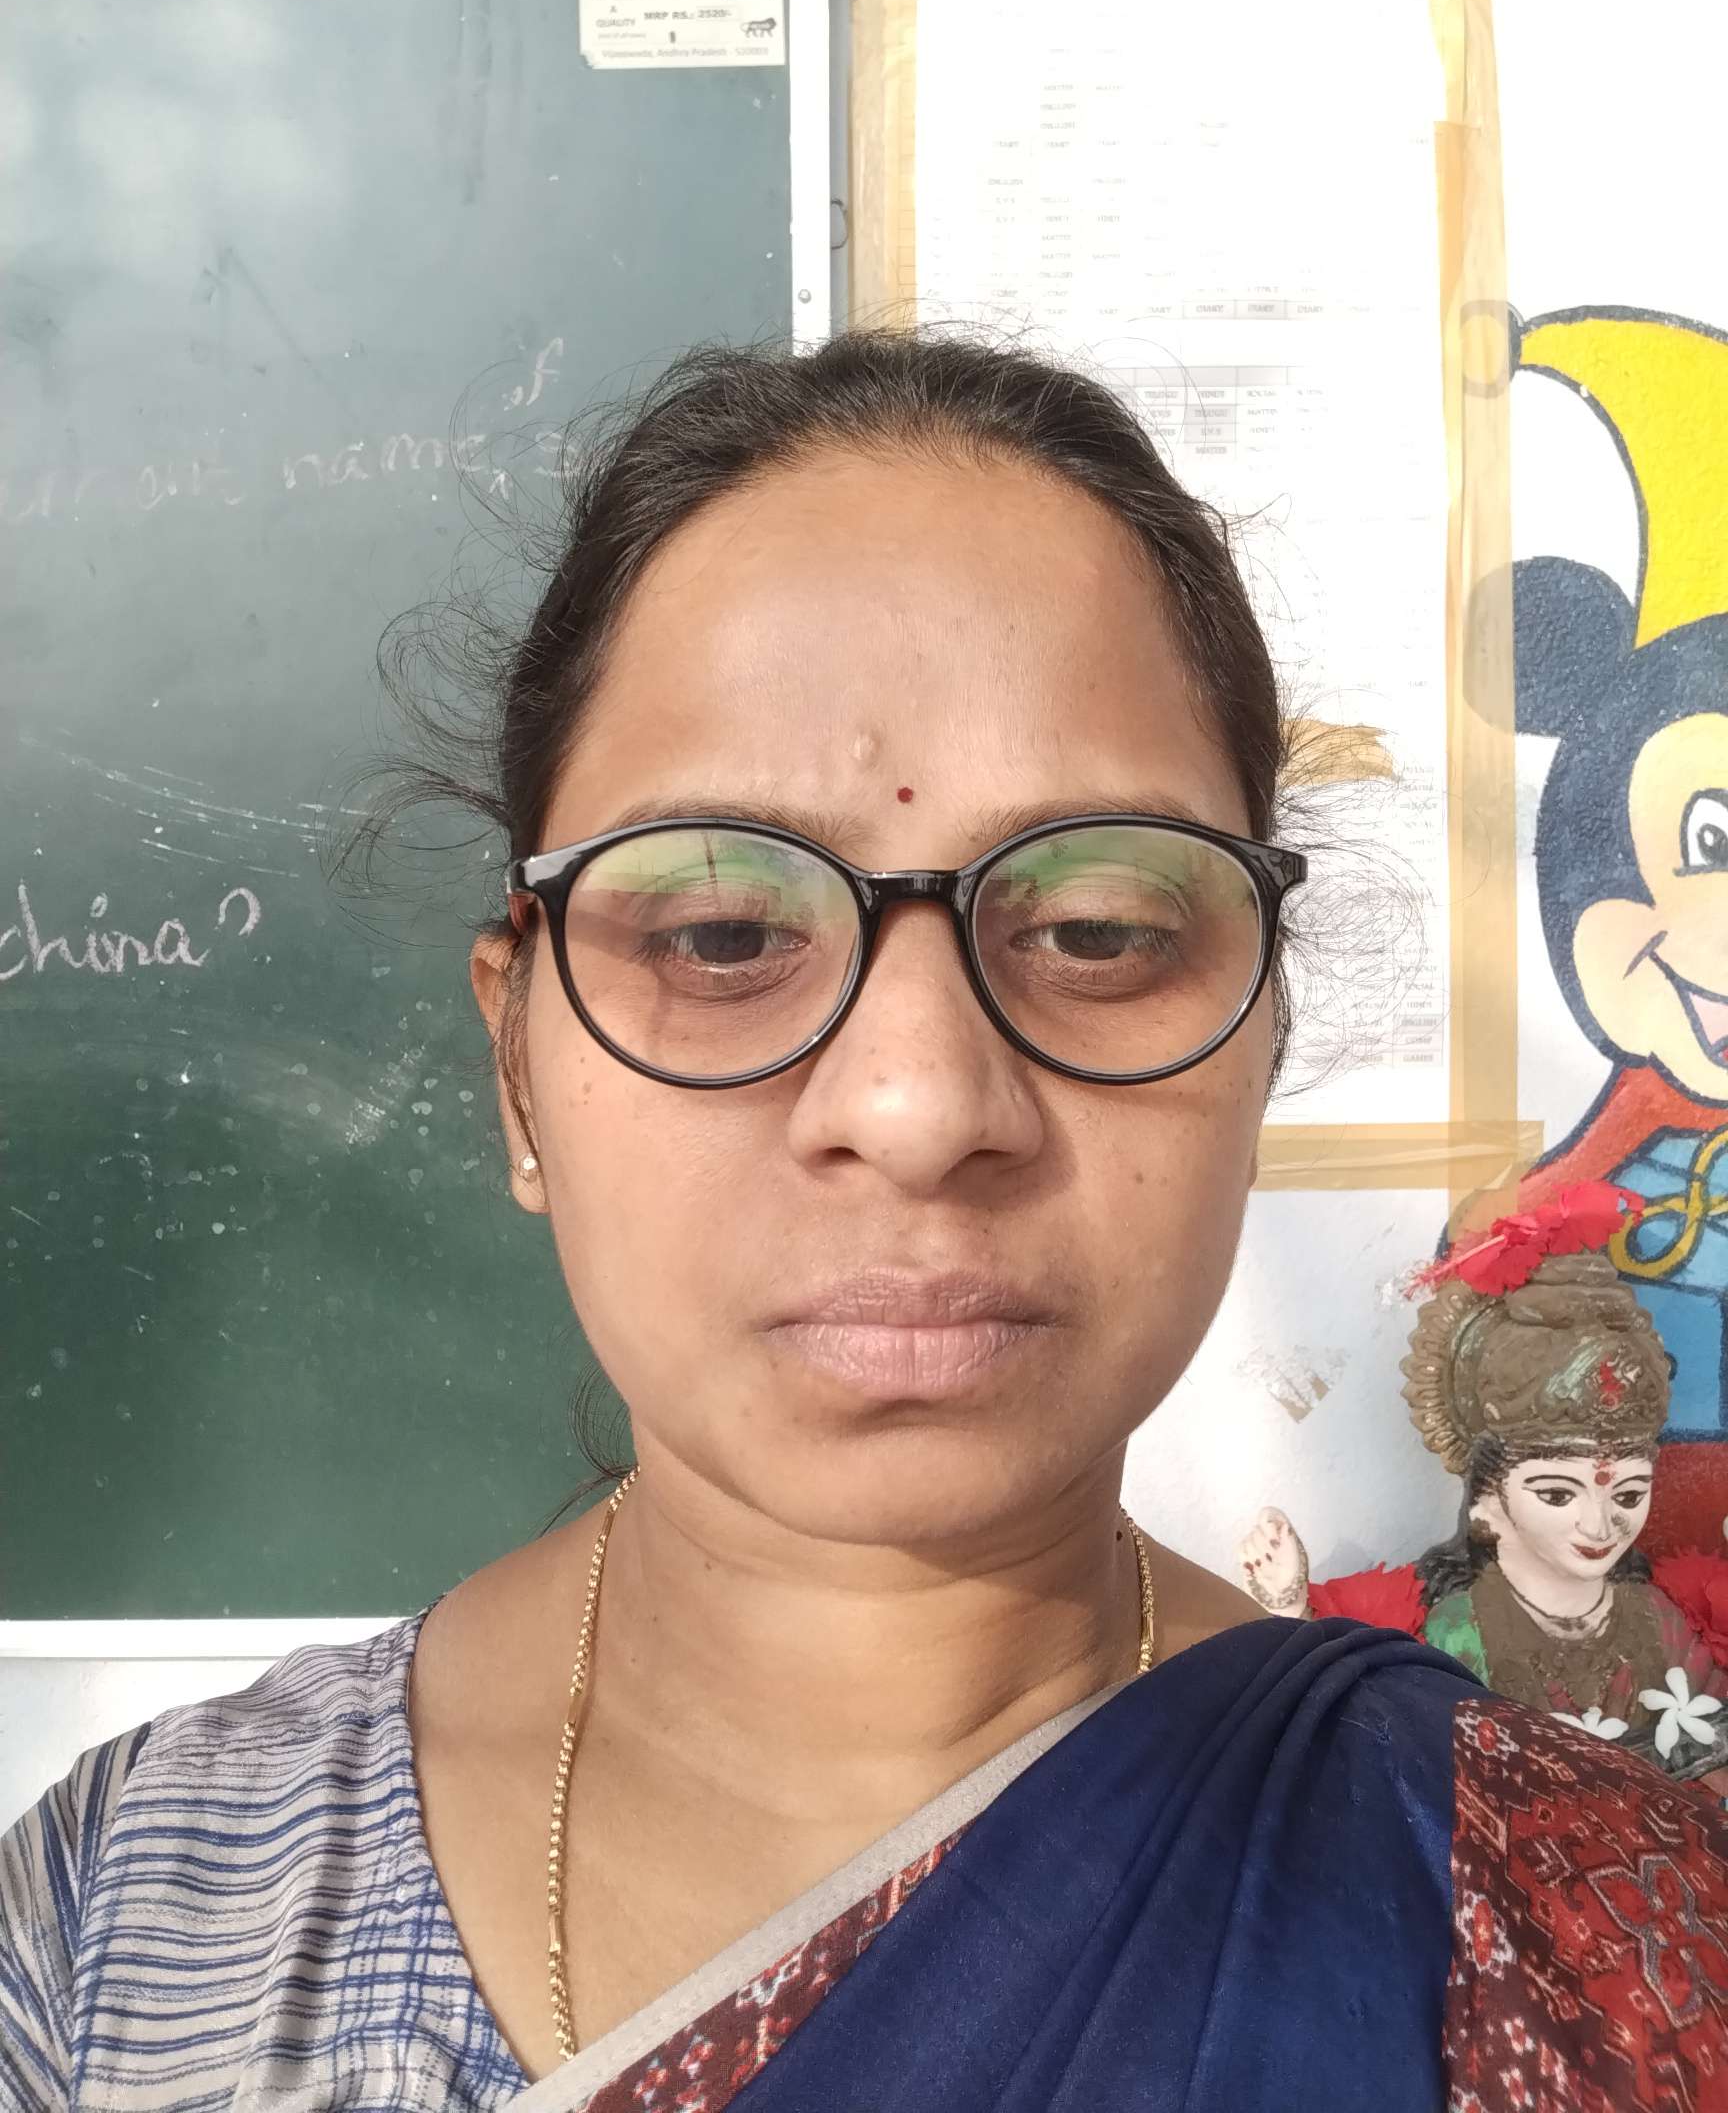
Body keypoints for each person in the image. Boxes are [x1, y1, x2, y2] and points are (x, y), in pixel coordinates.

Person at [2, 332, 1725, 2113]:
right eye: (720, 934)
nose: (916, 1105)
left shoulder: (1580, 1927)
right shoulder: (130, 1926)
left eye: (1099, 929)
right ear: (518, 1072)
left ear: (1260, 1037)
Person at [1238, 1186, 1728, 1788]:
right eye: (1557, 1494)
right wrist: (1289, 1610)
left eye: (1627, 1494)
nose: (1601, 1525)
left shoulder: (1658, 1617)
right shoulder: (1454, 1631)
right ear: (1489, 1493)